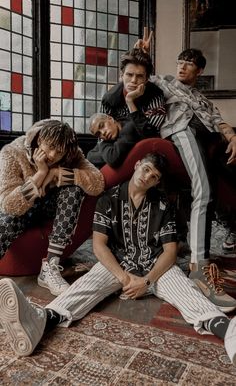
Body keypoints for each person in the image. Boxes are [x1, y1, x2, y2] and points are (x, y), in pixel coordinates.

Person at [0, 154, 235, 365]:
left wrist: (147, 281)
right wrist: (124, 277)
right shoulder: (108, 199)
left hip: (156, 267)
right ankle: (40, 321)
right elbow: (99, 246)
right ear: (137, 165)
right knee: (85, 286)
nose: (148, 177)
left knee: (187, 292)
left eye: (154, 176)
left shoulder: (162, 205)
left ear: (156, 182)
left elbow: (170, 251)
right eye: (146, 169)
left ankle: (229, 333)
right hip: (118, 263)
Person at [135, 29, 236, 308]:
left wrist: (232, 136)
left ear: (199, 70)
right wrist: (142, 54)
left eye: (189, 63)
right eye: (180, 61)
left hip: (207, 138)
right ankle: (199, 269)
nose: (181, 66)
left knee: (216, 186)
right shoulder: (165, 83)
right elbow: (140, 78)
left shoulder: (204, 100)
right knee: (202, 191)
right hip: (181, 131)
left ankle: (231, 227)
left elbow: (219, 121)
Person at [0, 119, 104, 296]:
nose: (52, 155)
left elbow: (98, 182)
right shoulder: (12, 152)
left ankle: (50, 267)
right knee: (5, 219)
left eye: (58, 151)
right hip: (21, 211)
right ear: (39, 138)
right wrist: (40, 175)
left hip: (52, 209)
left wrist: (57, 173)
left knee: (73, 189)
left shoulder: (72, 154)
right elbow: (9, 206)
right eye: (49, 147)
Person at [100, 48, 166, 136]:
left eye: (139, 76)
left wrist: (130, 101)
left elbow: (150, 133)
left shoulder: (155, 95)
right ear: (122, 75)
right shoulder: (109, 99)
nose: (134, 80)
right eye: (129, 75)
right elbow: (101, 135)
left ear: (146, 79)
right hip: (115, 143)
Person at [87, 109, 152, 168]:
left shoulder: (130, 126)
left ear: (110, 118)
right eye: (98, 134)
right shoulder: (106, 141)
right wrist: (106, 151)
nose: (103, 133)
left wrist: (106, 151)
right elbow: (90, 156)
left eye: (102, 126)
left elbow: (112, 159)